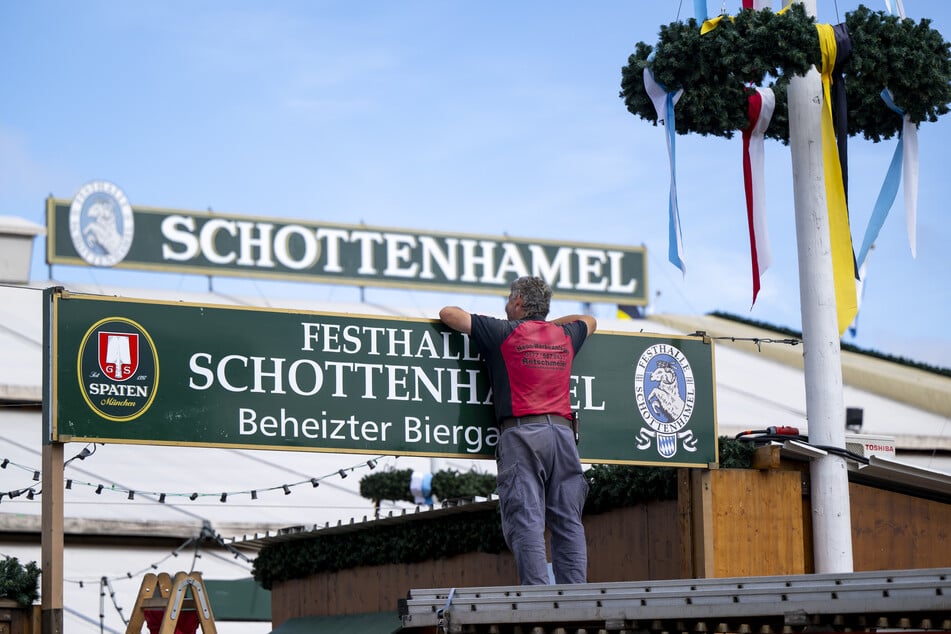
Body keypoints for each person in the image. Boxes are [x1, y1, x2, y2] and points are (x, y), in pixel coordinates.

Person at [439, 276, 597, 585]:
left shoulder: (502, 332)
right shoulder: (565, 334)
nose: (506, 304)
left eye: (509, 299)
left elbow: (449, 314)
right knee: (569, 521)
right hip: (564, 436)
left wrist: (509, 323)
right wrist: (549, 324)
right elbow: (589, 320)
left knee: (527, 518)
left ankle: (537, 595)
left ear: (519, 302)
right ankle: (577, 596)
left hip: (522, 434)